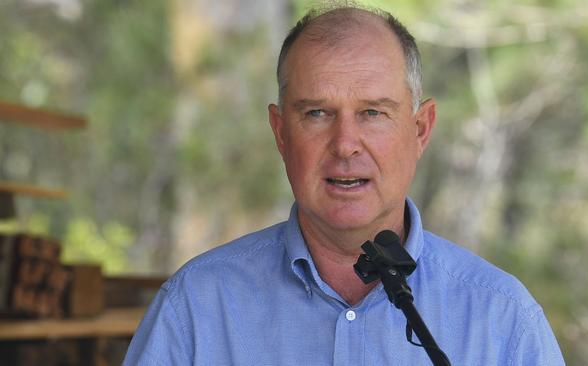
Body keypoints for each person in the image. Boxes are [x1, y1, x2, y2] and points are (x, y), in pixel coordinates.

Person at [124, 5, 565, 365]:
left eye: (373, 113)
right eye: (317, 113)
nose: (345, 144)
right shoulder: (195, 309)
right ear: (280, 132)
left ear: (420, 130)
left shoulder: (503, 320)